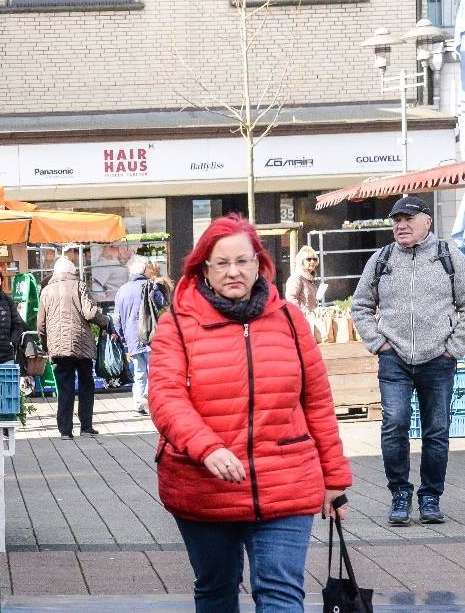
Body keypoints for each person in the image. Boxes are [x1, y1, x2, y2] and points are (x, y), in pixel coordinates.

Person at [150, 214, 351, 613]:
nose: (233, 271)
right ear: (203, 269)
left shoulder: (291, 321)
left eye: (242, 261)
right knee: (216, 588)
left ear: (260, 264)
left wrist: (335, 478)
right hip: (203, 483)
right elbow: (165, 396)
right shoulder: (177, 324)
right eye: (221, 263)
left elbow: (317, 403)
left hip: (285, 481)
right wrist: (207, 448)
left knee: (281, 592)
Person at [352, 195, 465, 526]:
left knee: (437, 431)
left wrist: (454, 347)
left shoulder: (449, 256)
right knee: (394, 425)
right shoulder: (381, 258)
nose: (400, 225)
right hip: (394, 359)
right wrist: (378, 343)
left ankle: (430, 497)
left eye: (408, 219)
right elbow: (360, 305)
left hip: (438, 359)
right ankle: (399, 494)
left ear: (426, 221)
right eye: (396, 220)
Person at [38, 255, 108, 439]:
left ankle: (65, 431)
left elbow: (41, 325)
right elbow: (89, 313)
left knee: (65, 387)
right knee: (86, 384)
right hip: (81, 343)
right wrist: (106, 322)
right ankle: (86, 427)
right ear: (72, 272)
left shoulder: (45, 291)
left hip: (58, 346)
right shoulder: (80, 286)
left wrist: (46, 345)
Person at [115, 256, 168, 416]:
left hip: (132, 338)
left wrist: (123, 337)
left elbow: (117, 318)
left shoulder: (122, 290)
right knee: (154, 371)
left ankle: (138, 404)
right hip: (151, 334)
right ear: (143, 270)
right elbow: (161, 303)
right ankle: (149, 401)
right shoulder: (150, 286)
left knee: (139, 372)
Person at [284, 245, 321, 312]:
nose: (312, 262)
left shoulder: (310, 278)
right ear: (301, 261)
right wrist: (304, 312)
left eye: (314, 259)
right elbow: (290, 298)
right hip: (302, 318)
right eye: (309, 259)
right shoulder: (297, 277)